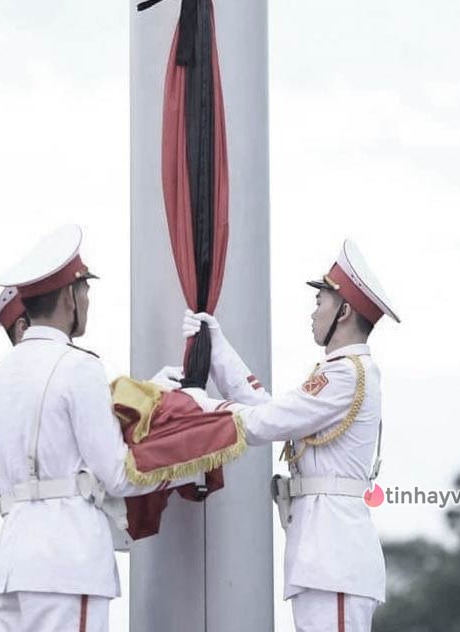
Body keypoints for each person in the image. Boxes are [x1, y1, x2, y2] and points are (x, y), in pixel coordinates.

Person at [0, 225, 202, 631]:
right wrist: (194, 461)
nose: (86, 300)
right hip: (68, 559)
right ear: (70, 296)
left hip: (14, 559)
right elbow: (117, 474)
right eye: (85, 291)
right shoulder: (78, 366)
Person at [182, 239, 400, 632]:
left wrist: (198, 408)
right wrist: (217, 349)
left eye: (320, 302)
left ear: (345, 311)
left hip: (334, 560)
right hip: (323, 558)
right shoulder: (338, 371)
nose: (313, 312)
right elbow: (268, 409)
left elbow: (264, 423)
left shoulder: (345, 373)